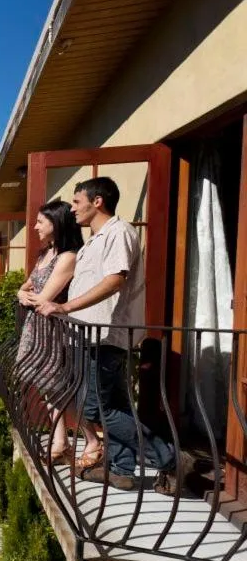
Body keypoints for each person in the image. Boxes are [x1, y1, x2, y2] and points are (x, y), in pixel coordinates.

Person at [37, 177, 192, 494]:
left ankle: (171, 458)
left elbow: (114, 281)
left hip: (105, 337)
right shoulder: (95, 239)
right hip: (91, 337)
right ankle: (121, 470)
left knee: (97, 409)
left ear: (97, 202)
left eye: (77, 201)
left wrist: (65, 308)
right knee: (115, 405)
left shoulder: (119, 233)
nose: (73, 208)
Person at [15, 200, 84, 465]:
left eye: (40, 222)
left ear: (56, 224)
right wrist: (22, 293)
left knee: (55, 387)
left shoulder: (68, 257)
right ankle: (61, 442)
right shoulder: (46, 255)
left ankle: (78, 440)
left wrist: (25, 296)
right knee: (46, 387)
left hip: (54, 330)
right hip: (36, 327)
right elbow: (25, 288)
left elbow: (43, 297)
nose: (34, 227)